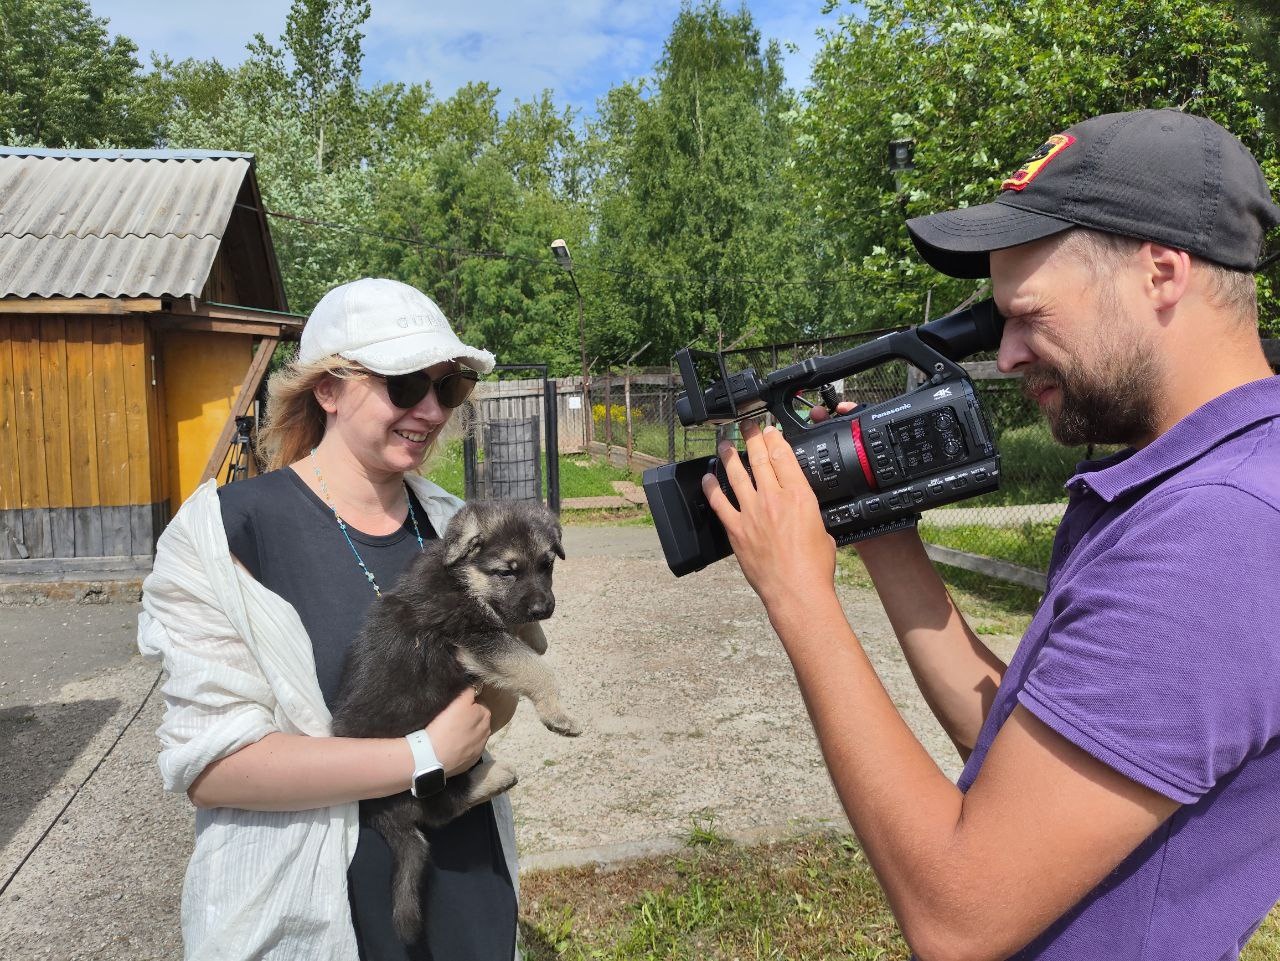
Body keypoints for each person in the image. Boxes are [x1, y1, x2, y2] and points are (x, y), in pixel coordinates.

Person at [703, 109, 1280, 960]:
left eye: (1027, 314)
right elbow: (1018, 755)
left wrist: (797, 593)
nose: (1006, 355)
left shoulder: (1216, 532)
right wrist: (884, 533)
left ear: (1161, 273)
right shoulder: (1210, 482)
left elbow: (957, 912)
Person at [138, 277, 528, 960]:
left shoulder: (454, 524)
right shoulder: (226, 534)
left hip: (464, 887)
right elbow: (213, 766)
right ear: (328, 389)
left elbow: (487, 708)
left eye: (449, 386)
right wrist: (422, 756)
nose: (431, 409)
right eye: (405, 384)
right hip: (313, 907)